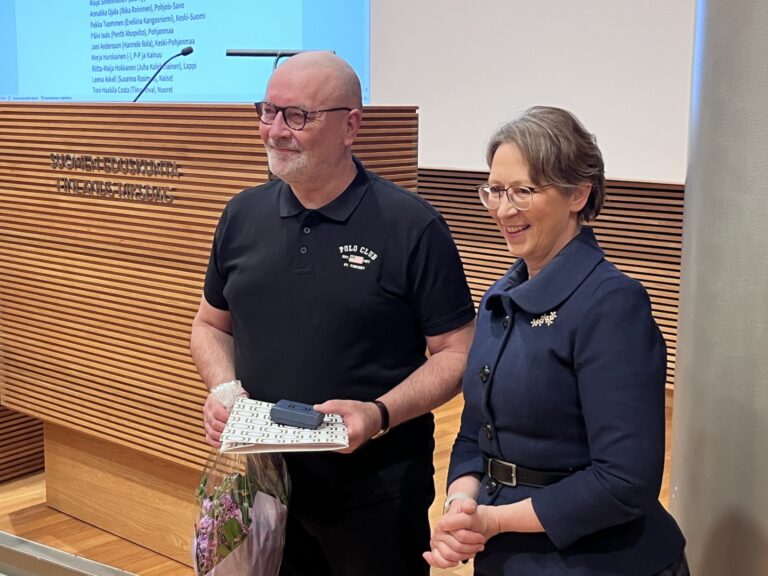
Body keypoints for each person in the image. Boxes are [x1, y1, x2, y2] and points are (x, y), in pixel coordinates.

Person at [189, 51, 476, 576]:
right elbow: (210, 325)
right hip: (263, 484)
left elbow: (458, 353)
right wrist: (223, 389)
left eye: (298, 115)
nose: (276, 130)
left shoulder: (412, 226)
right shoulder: (242, 214)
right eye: (268, 111)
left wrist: (379, 413)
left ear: (351, 126)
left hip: (375, 491)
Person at [424, 106, 688, 575]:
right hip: (506, 552)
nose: (503, 209)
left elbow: (625, 481)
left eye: (523, 191)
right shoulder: (501, 297)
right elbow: (474, 431)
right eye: (495, 190)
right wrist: (460, 505)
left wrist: (493, 520)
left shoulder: (613, 304)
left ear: (578, 194)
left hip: (600, 561)